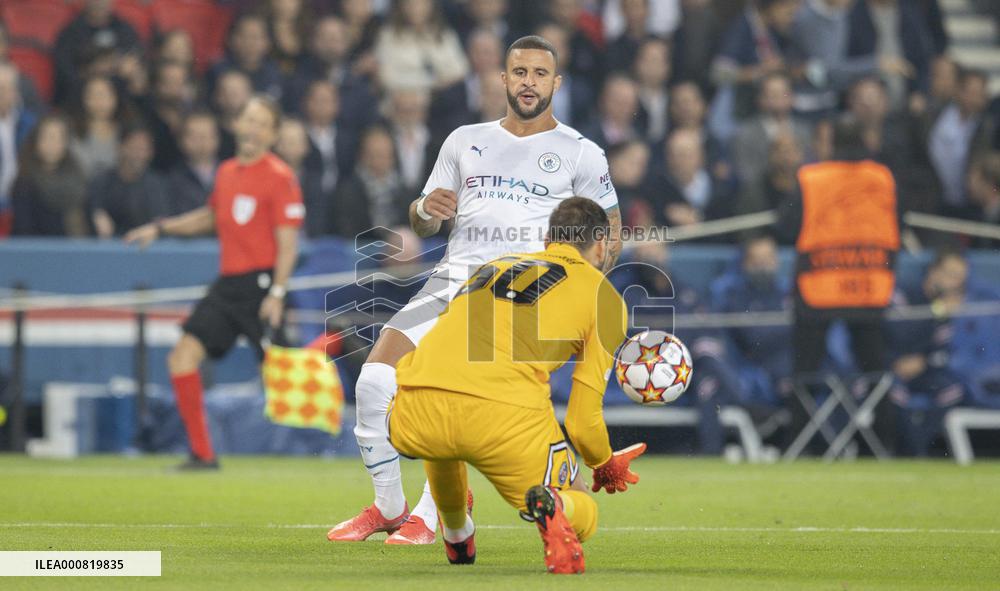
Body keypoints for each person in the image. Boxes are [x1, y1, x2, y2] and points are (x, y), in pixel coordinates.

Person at [327, 35, 622, 545]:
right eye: (519, 72)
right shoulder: (464, 139)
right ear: (503, 79)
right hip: (451, 278)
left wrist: (585, 292)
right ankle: (390, 507)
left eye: (539, 73)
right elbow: (421, 219)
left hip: (513, 297)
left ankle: (431, 513)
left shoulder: (580, 152)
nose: (529, 82)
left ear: (557, 83)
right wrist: (425, 211)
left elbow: (610, 229)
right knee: (374, 381)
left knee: (464, 394)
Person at [388, 197, 642, 573]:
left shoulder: (494, 265)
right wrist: (603, 463)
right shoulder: (604, 297)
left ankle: (457, 535)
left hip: (413, 406)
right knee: (580, 504)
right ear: (602, 245)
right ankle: (555, 505)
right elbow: (581, 422)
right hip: (503, 419)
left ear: (547, 238)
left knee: (444, 437)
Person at [123, 96, 304, 470]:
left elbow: (288, 244)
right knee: (182, 356)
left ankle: (324, 451)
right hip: (228, 285)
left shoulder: (281, 177)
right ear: (238, 125)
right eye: (248, 120)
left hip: (262, 285)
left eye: (261, 123)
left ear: (272, 135)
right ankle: (203, 454)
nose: (252, 128)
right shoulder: (226, 172)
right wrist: (161, 228)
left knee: (286, 381)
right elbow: (211, 216)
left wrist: (277, 293)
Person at [779, 118, 900, 452]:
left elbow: (787, 227)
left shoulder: (812, 178)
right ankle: (884, 444)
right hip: (869, 285)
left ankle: (799, 445)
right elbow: (896, 225)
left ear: (831, 141)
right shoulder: (883, 178)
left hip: (819, 286)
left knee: (805, 370)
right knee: (875, 369)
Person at [11, 115, 88, 237]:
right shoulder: (24, 183)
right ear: (36, 142)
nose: (51, 144)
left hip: (75, 249)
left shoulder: (77, 177)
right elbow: (23, 230)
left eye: (58, 138)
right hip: (37, 250)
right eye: (46, 137)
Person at [89, 126, 171, 238]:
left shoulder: (158, 185)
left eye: (144, 149)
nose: (139, 154)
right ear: (120, 147)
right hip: (110, 248)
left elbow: (162, 221)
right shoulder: (101, 182)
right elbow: (94, 213)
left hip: (148, 248)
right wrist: (96, 214)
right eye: (134, 147)